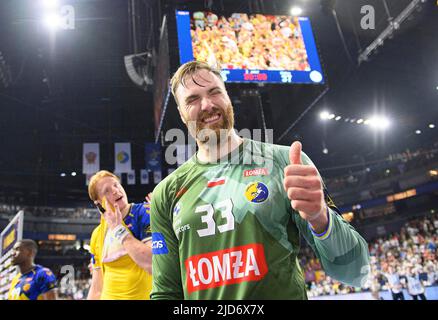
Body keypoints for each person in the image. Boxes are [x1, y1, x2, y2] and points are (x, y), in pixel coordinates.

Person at [150, 60, 370, 299]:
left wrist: (321, 219)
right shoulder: (167, 193)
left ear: (227, 97)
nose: (207, 104)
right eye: (192, 100)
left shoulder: (287, 163)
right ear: (182, 114)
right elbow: (166, 292)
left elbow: (356, 272)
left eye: (215, 92)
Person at [87, 170, 152, 300]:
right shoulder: (98, 234)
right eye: (107, 191)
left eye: (116, 185)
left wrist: (118, 229)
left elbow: (152, 263)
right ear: (99, 203)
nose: (115, 191)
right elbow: (97, 287)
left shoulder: (144, 212)